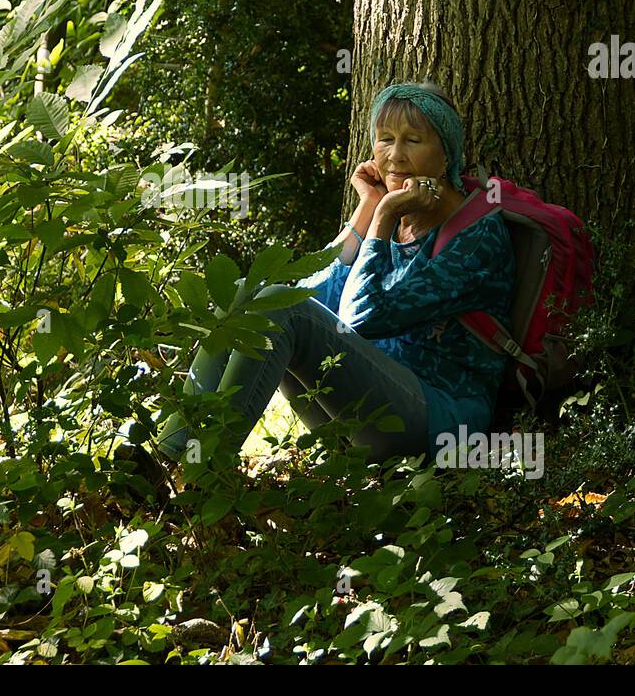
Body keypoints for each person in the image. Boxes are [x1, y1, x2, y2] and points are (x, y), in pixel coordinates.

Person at [143, 81, 516, 479]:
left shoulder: (476, 237)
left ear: (446, 156)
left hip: (437, 422)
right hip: (365, 408)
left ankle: (201, 479)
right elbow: (313, 292)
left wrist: (385, 216)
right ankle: (172, 456)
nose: (395, 155)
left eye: (413, 140)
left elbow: (358, 317)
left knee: (282, 311)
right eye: (385, 139)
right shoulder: (396, 215)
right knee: (245, 297)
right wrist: (368, 208)